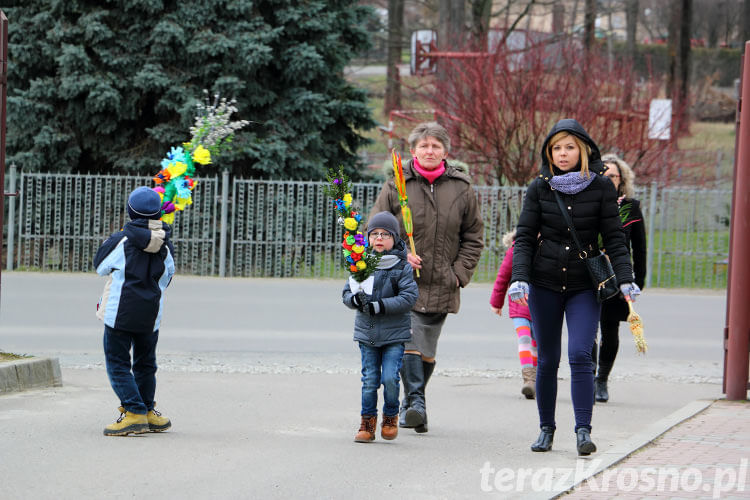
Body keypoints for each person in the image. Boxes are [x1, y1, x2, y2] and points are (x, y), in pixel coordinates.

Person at [508, 118, 641, 456]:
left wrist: (626, 279)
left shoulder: (601, 187)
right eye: (557, 148)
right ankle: (546, 429)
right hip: (544, 282)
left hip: (584, 285)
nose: (563, 154)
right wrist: (519, 276)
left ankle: (583, 430)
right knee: (548, 358)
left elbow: (614, 238)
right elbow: (524, 237)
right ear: (549, 153)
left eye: (569, 147)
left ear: (582, 150)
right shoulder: (539, 187)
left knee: (581, 353)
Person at [370, 121, 484, 433]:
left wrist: (458, 274)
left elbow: (474, 236)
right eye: (424, 146)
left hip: (441, 281)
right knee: (408, 339)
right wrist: (397, 255)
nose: (430, 151)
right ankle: (417, 400)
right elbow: (375, 230)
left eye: (436, 146)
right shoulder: (397, 185)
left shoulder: (461, 188)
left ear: (446, 151)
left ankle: (410, 403)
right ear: (414, 150)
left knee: (427, 350)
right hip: (401, 282)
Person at [94, 186, 175, 437]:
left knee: (118, 363)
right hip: (151, 314)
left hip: (120, 312)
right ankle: (148, 410)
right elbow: (168, 274)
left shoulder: (122, 240)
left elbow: (101, 266)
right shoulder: (164, 243)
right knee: (145, 364)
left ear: (130, 212)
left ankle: (133, 412)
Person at [342, 211, 419, 443]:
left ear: (394, 239)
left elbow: (408, 298)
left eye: (385, 234)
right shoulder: (360, 264)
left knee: (389, 379)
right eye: (374, 234)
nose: (379, 238)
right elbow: (347, 292)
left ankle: (390, 416)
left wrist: (379, 306)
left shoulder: (402, 267)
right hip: (368, 334)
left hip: (394, 335)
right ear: (367, 238)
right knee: (369, 381)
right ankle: (367, 423)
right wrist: (353, 300)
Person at [592, 153, 647, 403]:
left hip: (617, 278)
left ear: (621, 179)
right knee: (586, 329)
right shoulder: (587, 203)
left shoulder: (630, 207)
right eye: (603, 173)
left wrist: (638, 282)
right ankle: (588, 375)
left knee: (610, 329)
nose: (607, 178)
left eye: (612, 175)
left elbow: (640, 248)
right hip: (589, 275)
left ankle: (602, 380)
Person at [490, 229, 537, 399]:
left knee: (536, 343)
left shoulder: (548, 248)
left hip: (541, 305)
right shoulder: (516, 249)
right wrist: (496, 302)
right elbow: (503, 276)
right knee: (524, 339)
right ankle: (529, 380)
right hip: (520, 304)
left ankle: (536, 378)